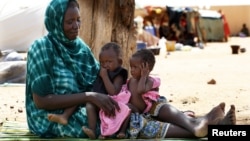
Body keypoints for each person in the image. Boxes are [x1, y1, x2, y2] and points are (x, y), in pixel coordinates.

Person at [25, 0, 120, 138]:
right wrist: (89, 97)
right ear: (56, 22)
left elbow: (99, 77)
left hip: (83, 107)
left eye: (78, 20)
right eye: (69, 22)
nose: (76, 26)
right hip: (50, 116)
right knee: (107, 124)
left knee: (122, 110)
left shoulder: (80, 47)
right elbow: (42, 101)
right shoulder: (41, 48)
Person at [126, 49, 236, 139]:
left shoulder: (149, 80)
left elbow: (141, 90)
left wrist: (144, 75)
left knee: (166, 110)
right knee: (164, 127)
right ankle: (215, 124)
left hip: (155, 109)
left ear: (146, 68)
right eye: (131, 67)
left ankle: (205, 122)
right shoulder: (129, 82)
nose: (132, 70)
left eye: (135, 67)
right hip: (142, 117)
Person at [82, 42, 131, 139]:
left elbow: (113, 92)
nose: (105, 65)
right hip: (101, 103)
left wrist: (104, 76)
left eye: (109, 62)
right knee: (89, 105)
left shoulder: (119, 74)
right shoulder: (102, 72)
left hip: (114, 104)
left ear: (119, 62)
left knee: (123, 112)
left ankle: (115, 132)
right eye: (102, 62)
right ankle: (92, 130)